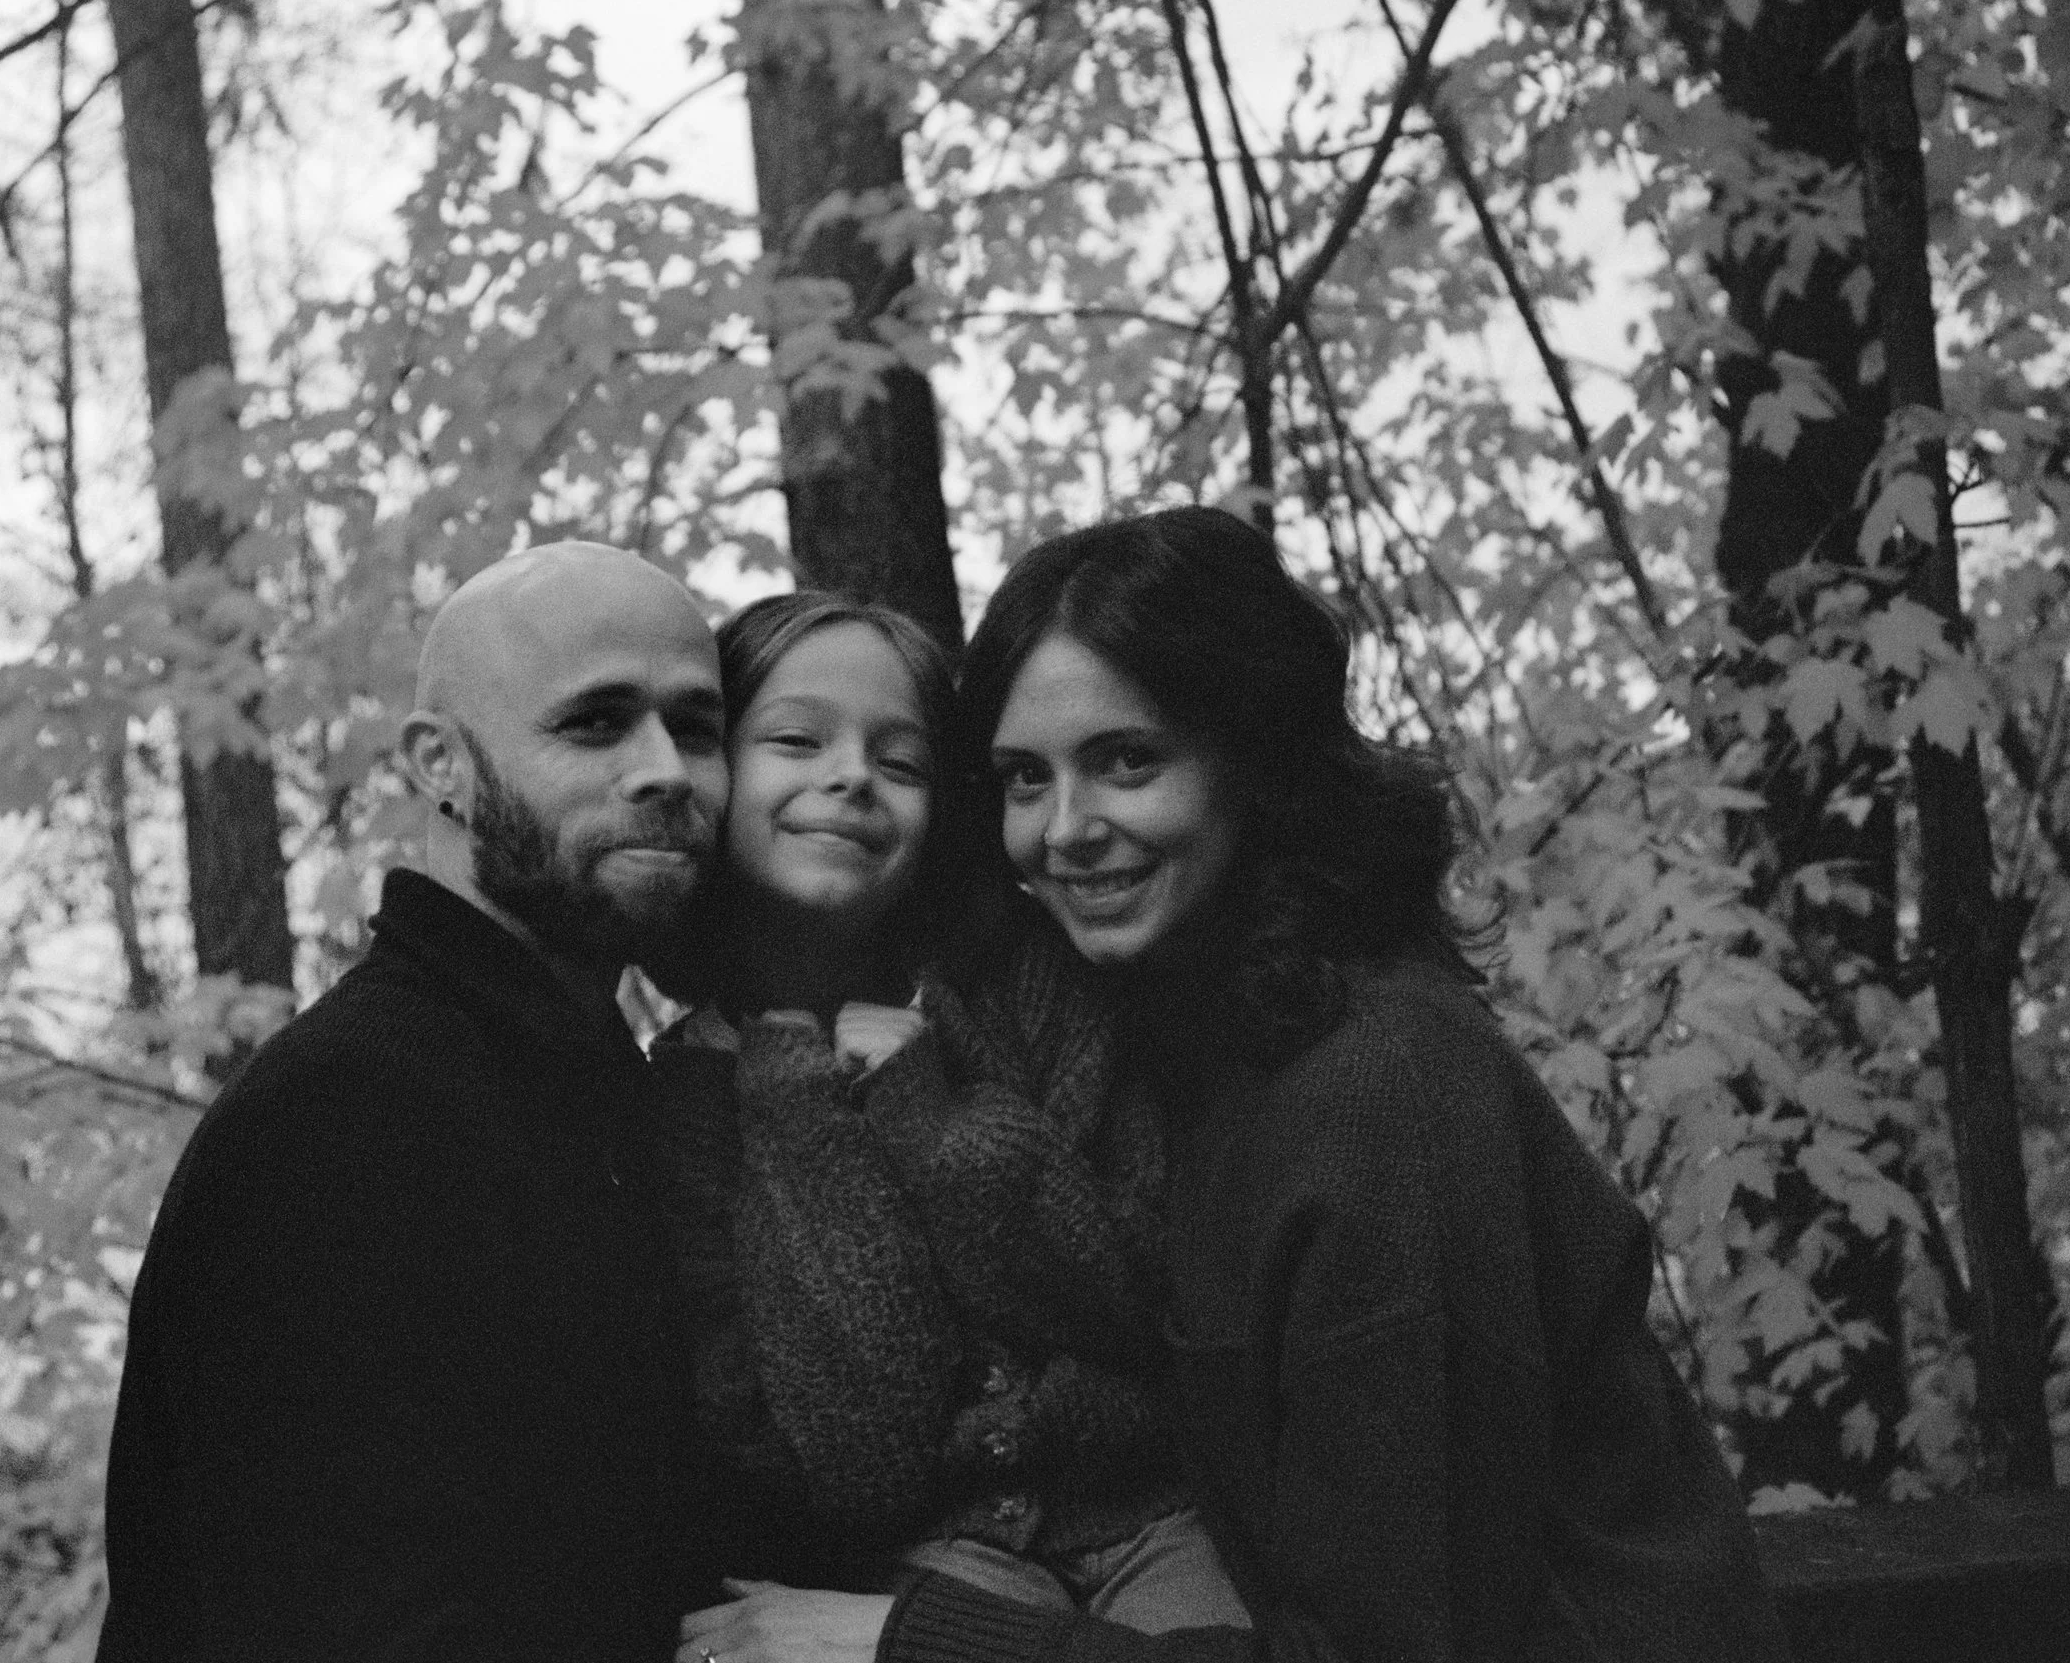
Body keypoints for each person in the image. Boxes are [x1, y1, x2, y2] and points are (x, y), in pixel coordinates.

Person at [687, 509, 1791, 1663]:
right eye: (1023, 777)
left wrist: (907, 1644)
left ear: (1257, 762)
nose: (1066, 830)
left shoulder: (1376, 1093)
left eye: (1128, 759)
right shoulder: (1176, 1036)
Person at [97, 541, 737, 1662]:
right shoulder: (345, 1125)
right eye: (596, 723)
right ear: (440, 764)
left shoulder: (599, 1087)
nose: (666, 769)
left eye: (697, 726)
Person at [657, 592, 1251, 1639]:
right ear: (713, 770)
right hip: (929, 1554)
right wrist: (796, 1096)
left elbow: (1132, 1287)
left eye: (902, 761)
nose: (850, 775)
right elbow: (859, 1449)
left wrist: (936, 1124)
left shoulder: (1031, 984)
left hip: (1151, 1508)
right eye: (797, 740)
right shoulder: (690, 1098)